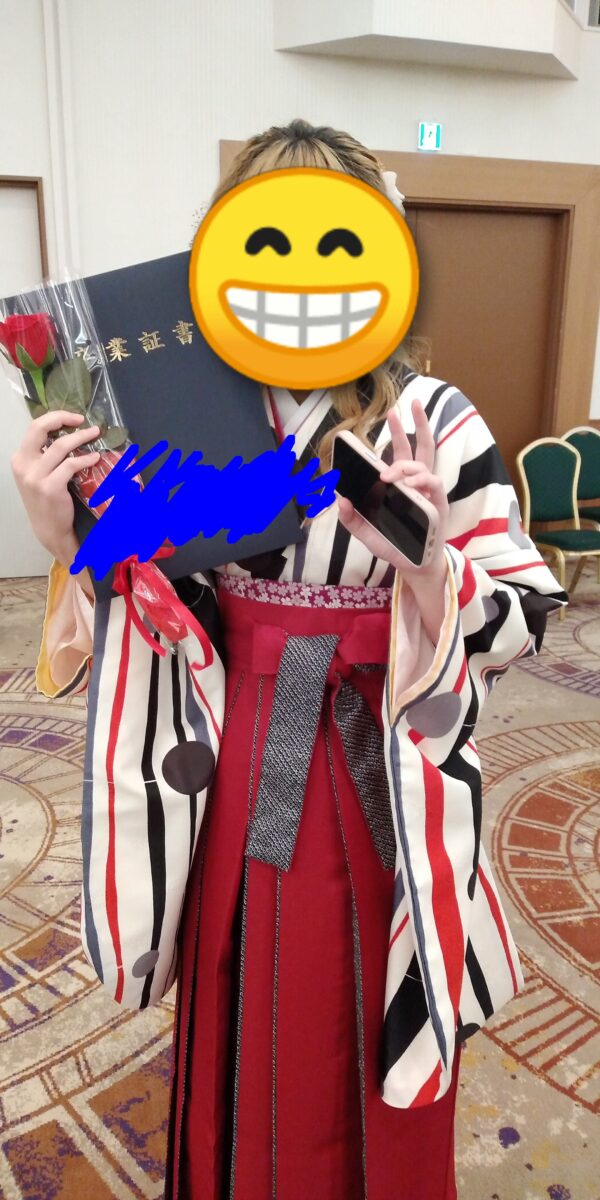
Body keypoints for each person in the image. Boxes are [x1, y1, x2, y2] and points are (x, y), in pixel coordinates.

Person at [11, 119, 568, 1200]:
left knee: (367, 986)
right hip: (234, 737)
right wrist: (69, 536)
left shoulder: (434, 416)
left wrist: (426, 566)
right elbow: (163, 596)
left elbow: (521, 619)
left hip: (376, 749)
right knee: (234, 977)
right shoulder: (194, 402)